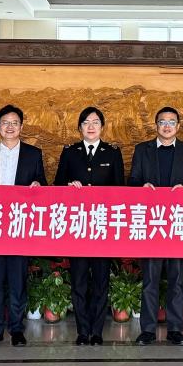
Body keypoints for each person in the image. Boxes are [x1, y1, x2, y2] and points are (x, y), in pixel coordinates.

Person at [0, 105, 46, 347]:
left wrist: (38, 185)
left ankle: (16, 329)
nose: (10, 127)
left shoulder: (33, 155)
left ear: (21, 127)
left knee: (17, 282)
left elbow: (43, 185)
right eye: (5, 122)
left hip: (19, 228)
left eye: (14, 122)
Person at [128, 107, 183, 346]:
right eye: (162, 122)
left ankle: (175, 329)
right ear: (156, 126)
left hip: (177, 223)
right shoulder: (143, 150)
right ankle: (148, 330)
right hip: (151, 223)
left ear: (178, 126)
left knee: (176, 279)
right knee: (150, 279)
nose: (167, 126)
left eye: (171, 122)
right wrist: (142, 188)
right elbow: (133, 181)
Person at [54, 106, 125, 346]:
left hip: (102, 227)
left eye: (95, 122)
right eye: (86, 122)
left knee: (101, 282)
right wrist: (68, 186)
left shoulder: (112, 153)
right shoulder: (70, 152)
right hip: (78, 227)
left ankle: (97, 332)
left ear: (102, 127)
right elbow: (57, 186)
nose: (91, 126)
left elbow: (120, 190)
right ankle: (82, 331)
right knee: (79, 281)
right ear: (80, 127)